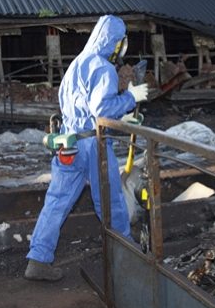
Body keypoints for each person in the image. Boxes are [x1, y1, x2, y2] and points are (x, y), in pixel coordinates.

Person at [25, 15, 149, 281]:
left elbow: (79, 107)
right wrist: (130, 98)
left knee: (56, 202)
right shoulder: (103, 68)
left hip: (68, 142)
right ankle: (125, 252)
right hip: (94, 145)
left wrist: (122, 119)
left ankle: (38, 259)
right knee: (111, 199)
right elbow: (101, 110)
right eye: (120, 43)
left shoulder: (76, 65)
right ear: (115, 43)